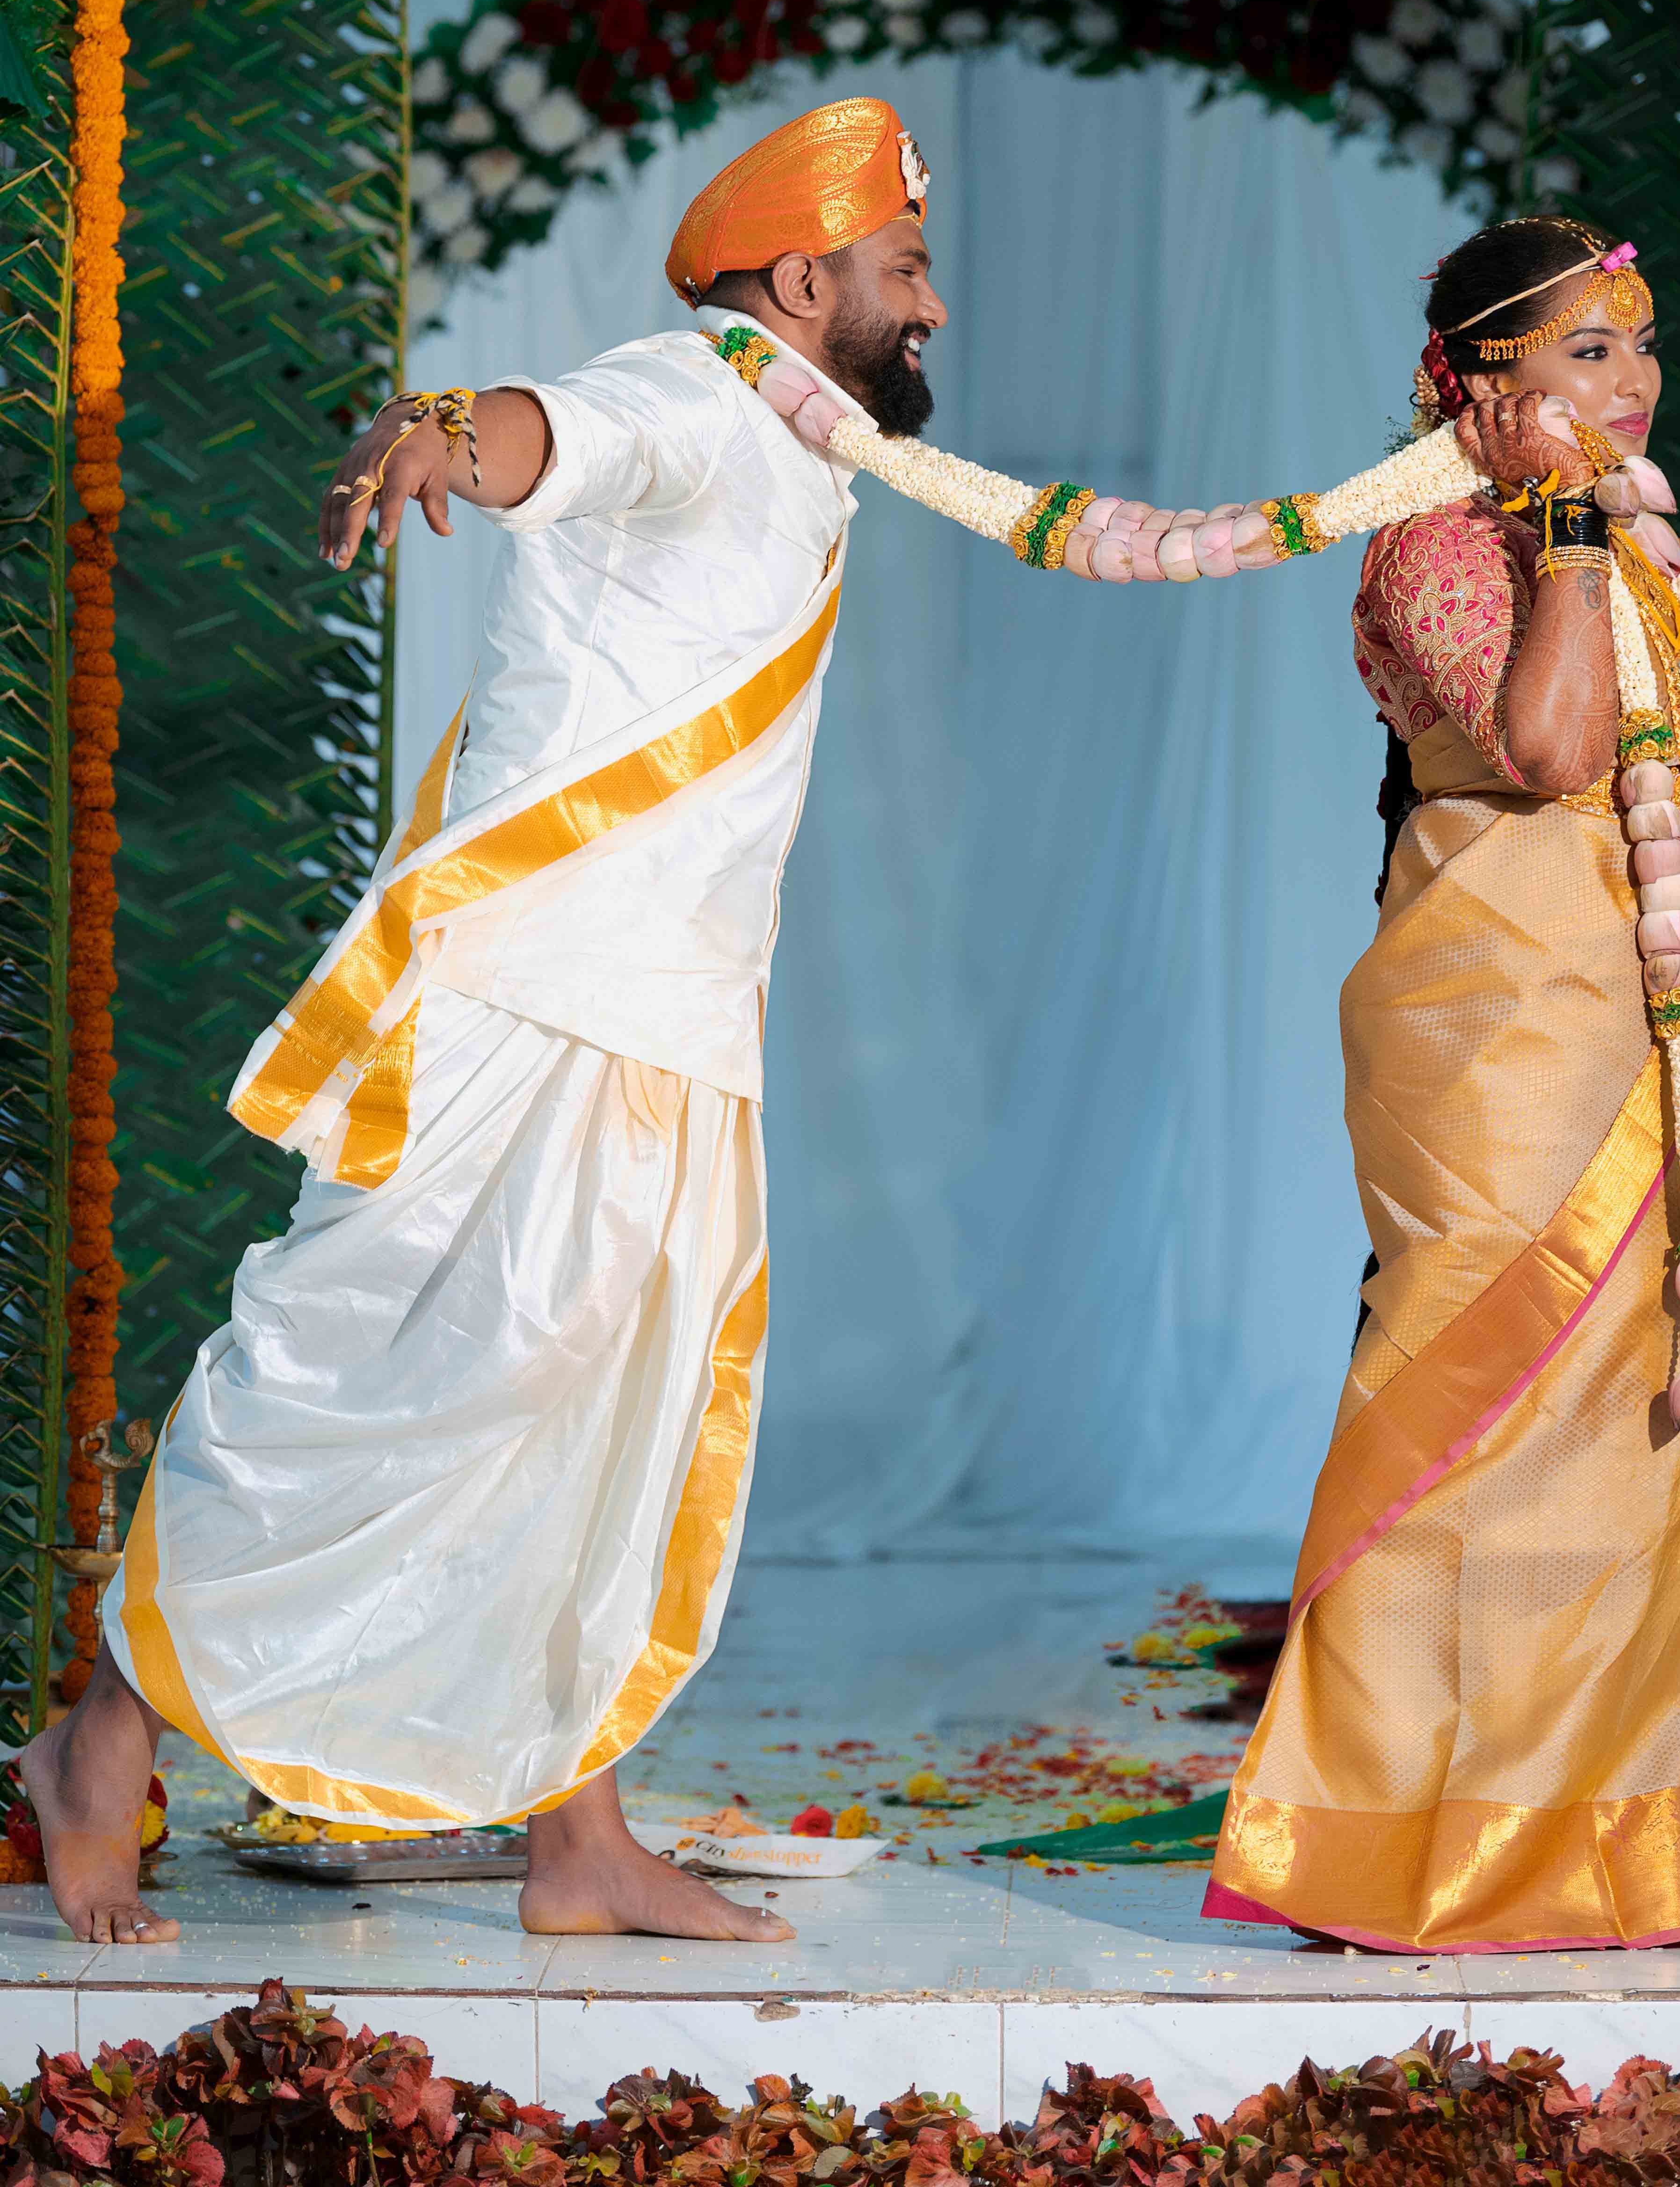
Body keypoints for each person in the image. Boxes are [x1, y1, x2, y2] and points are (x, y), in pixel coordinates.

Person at [22, 95, 1246, 1947]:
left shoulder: (807, 445)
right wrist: (447, 426)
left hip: (674, 1014)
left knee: (621, 1423)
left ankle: (577, 1842)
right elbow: (549, 436)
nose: (932, 308)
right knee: (352, 1367)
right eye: (905, 271)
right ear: (802, 273)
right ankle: (100, 1746)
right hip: (519, 998)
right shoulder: (685, 400)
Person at [1204, 214, 1680, 1956]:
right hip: (1491, 1021)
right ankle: (1399, 1847)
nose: (1630, 384)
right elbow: (1545, 751)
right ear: (1477, 380)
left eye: (1637, 347)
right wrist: (1555, 539)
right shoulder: (1434, 545)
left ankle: (1622, 1852)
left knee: (1632, 1417)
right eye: (1584, 354)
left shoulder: (1634, 548)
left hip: (1641, 1016)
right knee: (1475, 1403)